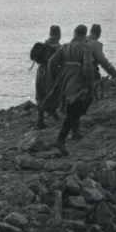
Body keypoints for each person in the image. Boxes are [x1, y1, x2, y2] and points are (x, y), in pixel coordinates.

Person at [39, 25, 96, 156]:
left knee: (74, 106)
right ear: (84, 34)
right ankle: (60, 139)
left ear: (74, 33)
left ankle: (75, 132)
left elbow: (52, 62)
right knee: (75, 110)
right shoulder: (86, 48)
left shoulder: (64, 46)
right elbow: (88, 67)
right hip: (76, 80)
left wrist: (55, 76)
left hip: (64, 79)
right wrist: (90, 83)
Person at [35, 25, 62, 130]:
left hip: (40, 70)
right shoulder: (57, 46)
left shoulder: (44, 44)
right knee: (53, 92)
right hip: (49, 71)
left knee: (40, 94)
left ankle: (40, 120)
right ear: (58, 34)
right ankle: (53, 113)